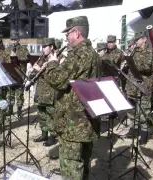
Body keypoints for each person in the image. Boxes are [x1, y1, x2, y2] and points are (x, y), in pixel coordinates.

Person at [36, 16, 101, 179]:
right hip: (86, 121)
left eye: (68, 33)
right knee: (83, 166)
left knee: (71, 168)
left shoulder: (79, 54)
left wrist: (52, 63)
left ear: (77, 33)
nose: (66, 37)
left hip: (74, 123)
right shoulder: (93, 54)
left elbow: (59, 81)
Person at [124, 32, 153, 145]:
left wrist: (132, 62)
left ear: (144, 39)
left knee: (143, 112)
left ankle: (144, 132)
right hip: (132, 86)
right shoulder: (134, 52)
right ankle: (133, 129)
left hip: (143, 86)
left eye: (137, 40)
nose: (135, 42)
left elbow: (147, 67)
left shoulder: (149, 52)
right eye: (135, 40)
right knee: (132, 111)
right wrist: (127, 62)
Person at [31, 38, 59, 147]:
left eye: (45, 47)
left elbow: (56, 76)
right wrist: (33, 71)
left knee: (51, 115)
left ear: (52, 47)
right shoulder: (42, 58)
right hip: (41, 91)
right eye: (42, 47)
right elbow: (35, 72)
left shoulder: (58, 58)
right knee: (41, 113)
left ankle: (52, 136)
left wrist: (39, 70)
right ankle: (44, 134)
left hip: (50, 92)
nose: (43, 49)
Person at [4, 32, 29, 119]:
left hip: (20, 75)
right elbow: (4, 60)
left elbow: (27, 58)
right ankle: (10, 110)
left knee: (19, 94)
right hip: (10, 74)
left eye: (15, 39)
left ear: (18, 40)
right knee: (10, 94)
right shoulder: (7, 49)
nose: (14, 41)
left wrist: (16, 57)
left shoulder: (23, 49)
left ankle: (19, 111)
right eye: (12, 40)